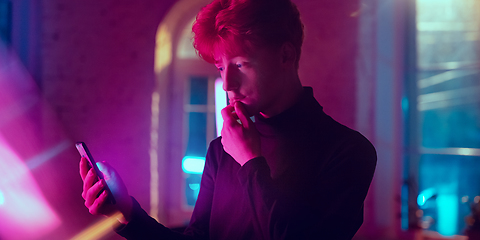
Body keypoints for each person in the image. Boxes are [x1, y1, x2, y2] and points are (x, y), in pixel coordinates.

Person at [79, 0, 377, 239]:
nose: (228, 84)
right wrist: (126, 210)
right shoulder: (221, 150)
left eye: (241, 64)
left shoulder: (348, 151)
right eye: (221, 67)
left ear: (286, 55)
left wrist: (250, 162)